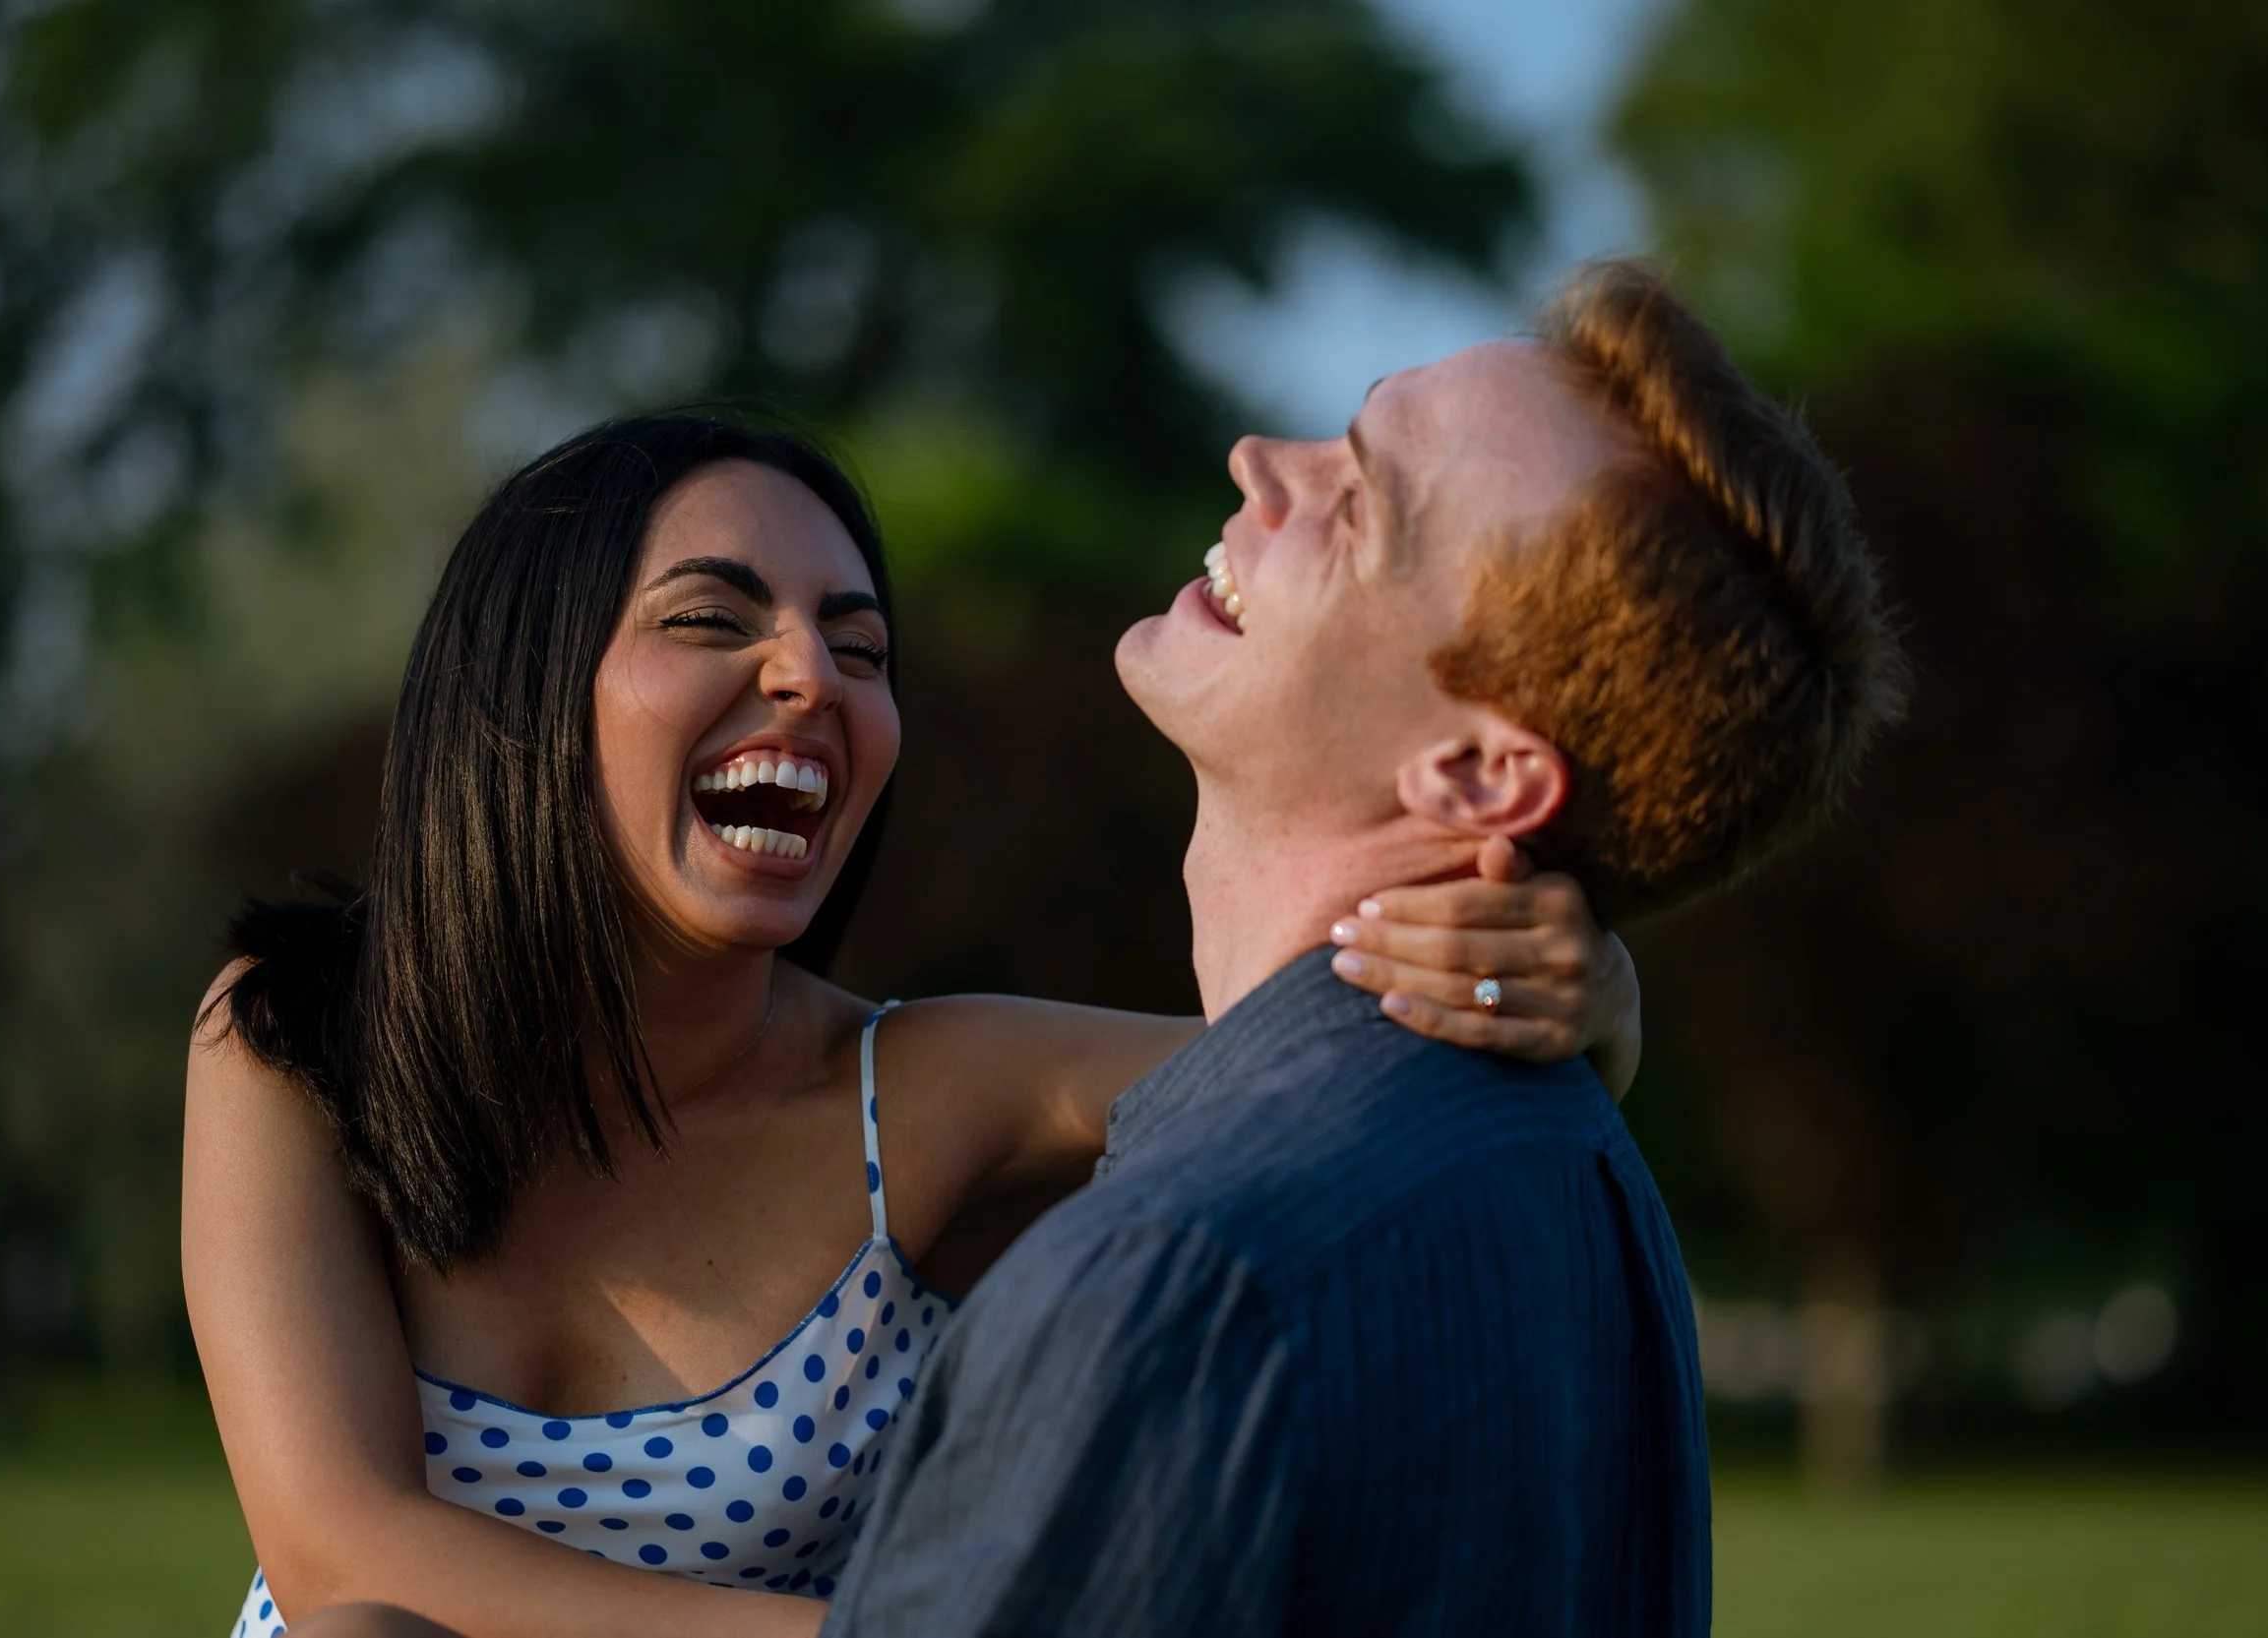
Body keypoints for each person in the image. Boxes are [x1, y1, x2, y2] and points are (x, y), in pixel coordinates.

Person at [188, 416, 1644, 1638]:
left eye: (861, 647)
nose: (811, 677)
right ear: (523, 687)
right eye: (712, 617)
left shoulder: (923, 1096)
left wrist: (1599, 997)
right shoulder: (294, 1041)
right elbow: (342, 1557)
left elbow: (1352, 1081)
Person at [812, 259, 1908, 1635]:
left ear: (1477, 776)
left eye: (1360, 502)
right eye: (1339, 430)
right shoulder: (1598, 1185)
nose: (1260, 460)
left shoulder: (1174, 1277)